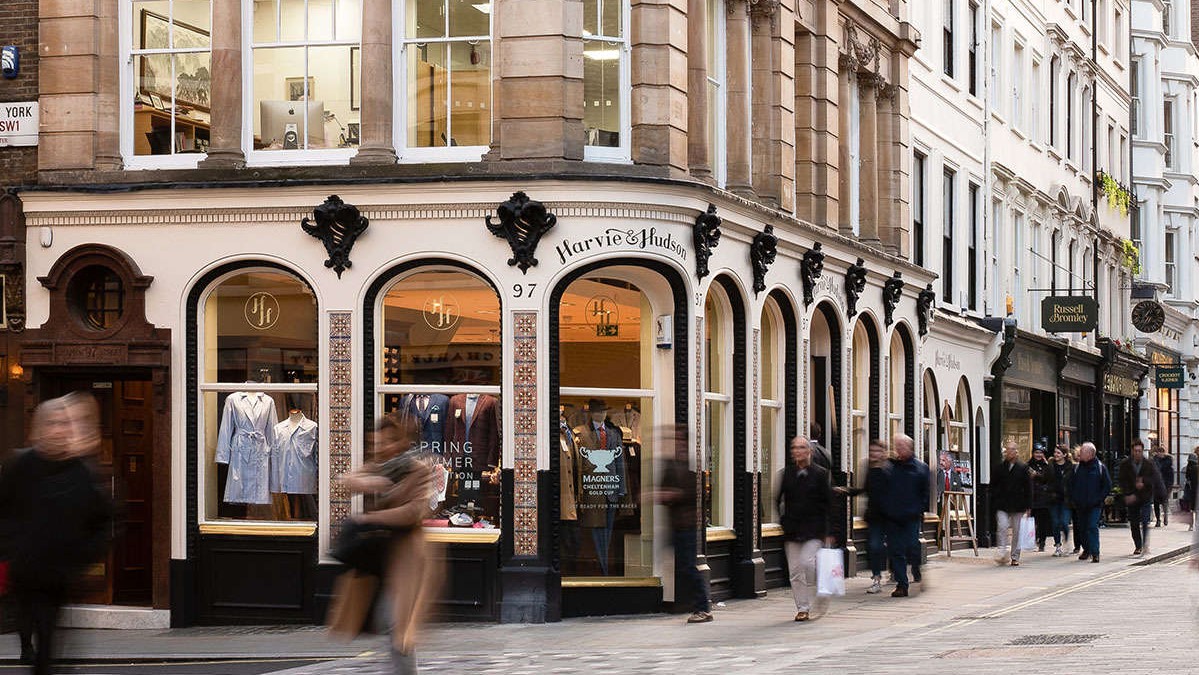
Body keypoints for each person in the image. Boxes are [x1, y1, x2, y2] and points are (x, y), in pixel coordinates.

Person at [0, 394, 112, 675]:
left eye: (63, 423)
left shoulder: (82, 472)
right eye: (52, 423)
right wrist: (12, 550)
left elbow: (102, 521)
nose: (58, 429)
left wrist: (82, 558)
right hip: (24, 571)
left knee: (48, 639)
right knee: (29, 624)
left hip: (59, 576)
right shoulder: (20, 466)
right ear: (39, 427)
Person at [328, 415, 440, 675]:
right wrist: (369, 481)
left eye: (386, 442)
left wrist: (371, 517)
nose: (381, 448)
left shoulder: (418, 470)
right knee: (384, 621)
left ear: (400, 442)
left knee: (397, 624)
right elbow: (344, 483)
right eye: (376, 443)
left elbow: (413, 512)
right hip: (377, 556)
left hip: (407, 558)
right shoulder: (378, 466)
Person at [656, 425, 712, 623]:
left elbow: (693, 495)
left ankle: (703, 607)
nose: (676, 444)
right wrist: (663, 495)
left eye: (679, 440)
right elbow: (664, 490)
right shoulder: (671, 466)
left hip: (687, 526)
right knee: (683, 567)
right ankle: (699, 605)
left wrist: (669, 495)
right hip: (675, 526)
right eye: (674, 440)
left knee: (688, 567)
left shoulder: (691, 467)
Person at [776, 436, 835, 621]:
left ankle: (822, 589)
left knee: (808, 562)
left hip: (814, 528)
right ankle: (803, 608)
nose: (797, 451)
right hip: (792, 529)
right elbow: (777, 499)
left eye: (801, 447)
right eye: (794, 447)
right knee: (795, 571)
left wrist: (830, 532)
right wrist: (783, 521)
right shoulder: (786, 474)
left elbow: (830, 504)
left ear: (809, 451)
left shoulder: (821, 474)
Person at [838, 439, 890, 594]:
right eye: (872, 451)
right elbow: (864, 489)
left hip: (889, 515)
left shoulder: (889, 470)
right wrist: (846, 490)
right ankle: (876, 578)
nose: (874, 454)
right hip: (874, 516)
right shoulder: (869, 469)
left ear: (883, 453)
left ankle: (895, 572)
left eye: (877, 451)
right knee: (874, 546)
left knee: (892, 546)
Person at [879, 434, 928, 597]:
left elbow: (925, 493)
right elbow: (884, 490)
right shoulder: (891, 467)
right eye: (897, 446)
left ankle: (917, 569)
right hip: (893, 517)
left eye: (902, 446)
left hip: (911, 516)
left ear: (910, 448)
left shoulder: (920, 468)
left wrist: (919, 509)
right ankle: (902, 584)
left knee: (912, 547)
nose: (899, 449)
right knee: (896, 550)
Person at [1117, 439, 1164, 556]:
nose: (1137, 453)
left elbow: (1155, 479)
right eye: (1135, 451)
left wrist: (1144, 483)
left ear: (1142, 451)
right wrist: (1128, 494)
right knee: (1134, 523)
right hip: (1132, 497)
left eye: (1139, 451)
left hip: (1145, 497)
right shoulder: (1125, 464)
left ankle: (1145, 545)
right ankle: (1138, 545)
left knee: (1145, 521)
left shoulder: (1149, 464)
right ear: (1132, 451)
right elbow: (1121, 481)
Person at [991, 441, 1032, 566]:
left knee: (1017, 531)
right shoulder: (999, 467)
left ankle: (1015, 556)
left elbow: (1028, 488)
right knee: (1002, 527)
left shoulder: (1023, 468)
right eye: (1007, 450)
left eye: (1011, 449)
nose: (1008, 452)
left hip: (1018, 505)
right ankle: (1002, 552)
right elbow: (993, 485)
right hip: (1002, 504)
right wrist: (994, 500)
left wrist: (1029, 506)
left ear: (1016, 451)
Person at [1070, 442, 1111, 563]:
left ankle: (1095, 552)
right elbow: (1071, 484)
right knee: (1082, 528)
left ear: (1090, 454)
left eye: (1082, 452)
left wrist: (1100, 498)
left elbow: (1107, 485)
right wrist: (1074, 498)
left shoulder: (1100, 467)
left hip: (1095, 505)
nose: (1080, 453)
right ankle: (1086, 549)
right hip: (1080, 504)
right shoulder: (1077, 468)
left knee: (1092, 526)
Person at [1048, 445, 1075, 557]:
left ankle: (1067, 541)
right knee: (1055, 523)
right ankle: (1058, 546)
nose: (1056, 455)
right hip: (1054, 499)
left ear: (1064, 454)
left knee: (1064, 522)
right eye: (1055, 452)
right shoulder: (1050, 466)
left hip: (1066, 499)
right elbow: (1045, 480)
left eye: (1058, 453)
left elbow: (1074, 482)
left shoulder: (1071, 467)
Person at [1028, 446, 1054, 552]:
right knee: (1033, 520)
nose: (1038, 455)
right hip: (1032, 496)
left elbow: (1049, 479)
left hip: (1043, 497)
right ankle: (1033, 539)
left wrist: (1036, 475)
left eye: (1040, 452)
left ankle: (1042, 541)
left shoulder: (1047, 466)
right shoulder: (1028, 465)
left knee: (1042, 521)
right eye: (1036, 452)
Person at [1152, 444, 1174, 527]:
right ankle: (1158, 520)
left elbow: (1171, 475)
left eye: (1162, 452)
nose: (1160, 454)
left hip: (1166, 485)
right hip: (1156, 485)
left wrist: (1169, 486)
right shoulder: (1155, 460)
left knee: (1164, 501)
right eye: (1159, 452)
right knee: (1156, 503)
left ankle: (1165, 516)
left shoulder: (1168, 461)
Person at [1182, 451, 1198, 532]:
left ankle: (1191, 526)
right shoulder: (1197, 468)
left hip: (1190, 492)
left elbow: (1186, 481)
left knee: (1191, 511)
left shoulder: (1188, 469)